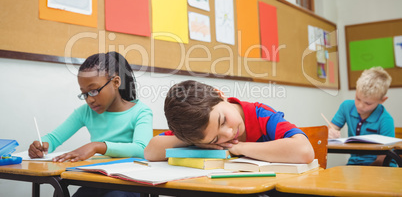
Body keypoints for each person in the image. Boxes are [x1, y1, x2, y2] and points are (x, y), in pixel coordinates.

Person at [28, 52, 153, 197]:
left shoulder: (140, 112)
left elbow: (142, 149)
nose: (89, 100)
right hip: (95, 181)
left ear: (116, 82)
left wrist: (97, 146)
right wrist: (41, 145)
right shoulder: (86, 112)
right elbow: (54, 138)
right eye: (85, 94)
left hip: (129, 183)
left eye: (94, 91)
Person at [144, 80, 314, 164]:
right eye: (215, 140)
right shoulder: (196, 128)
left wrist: (238, 147)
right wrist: (194, 140)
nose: (228, 133)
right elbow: (150, 152)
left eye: (223, 120)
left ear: (219, 94)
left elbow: (304, 151)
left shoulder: (260, 115)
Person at [328, 66, 394, 166]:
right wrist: (329, 133)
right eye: (358, 99)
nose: (360, 106)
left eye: (368, 103)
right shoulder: (346, 107)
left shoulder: (386, 120)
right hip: (355, 165)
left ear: (382, 100)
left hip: (382, 167)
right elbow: (331, 128)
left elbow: (382, 159)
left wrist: (363, 175)